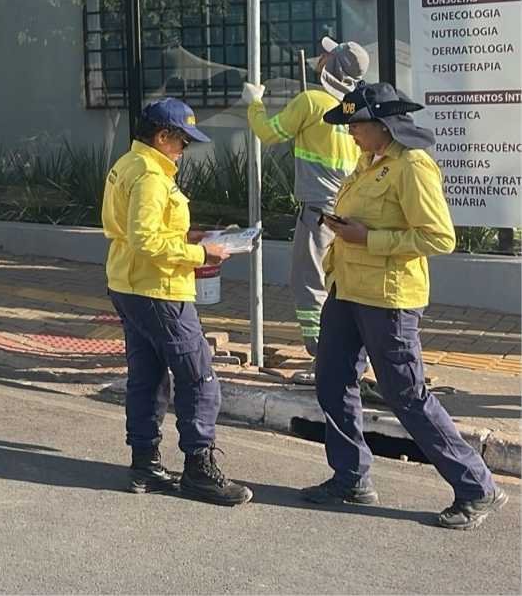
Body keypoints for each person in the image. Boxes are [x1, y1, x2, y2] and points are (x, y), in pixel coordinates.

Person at [302, 82, 508, 530]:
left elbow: (439, 237)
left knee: (407, 395)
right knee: (332, 380)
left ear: (381, 124)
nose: (350, 133)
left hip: (388, 299)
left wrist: (367, 238)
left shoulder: (413, 166)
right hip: (347, 290)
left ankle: (478, 487)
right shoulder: (368, 161)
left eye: (356, 125)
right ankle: (350, 477)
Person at [102, 98, 252, 506]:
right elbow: (146, 239)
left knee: (148, 375)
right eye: (182, 141)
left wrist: (191, 238)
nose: (184, 150)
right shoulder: (151, 175)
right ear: (162, 136)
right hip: (159, 289)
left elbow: (140, 232)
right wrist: (204, 254)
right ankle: (200, 470)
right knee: (199, 377)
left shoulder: (127, 166)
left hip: (129, 283)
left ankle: (145, 463)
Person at [239, 37, 367, 361]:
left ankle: (321, 351)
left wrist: (254, 103)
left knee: (309, 281)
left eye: (327, 54)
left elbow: (268, 134)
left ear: (333, 66)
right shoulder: (355, 109)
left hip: (319, 212)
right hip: (351, 213)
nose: (320, 57)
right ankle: (349, 349)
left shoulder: (311, 101)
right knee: (342, 281)